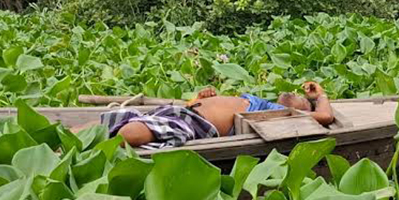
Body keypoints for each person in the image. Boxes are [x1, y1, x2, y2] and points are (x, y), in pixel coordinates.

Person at [81, 82, 335, 149]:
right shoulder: (257, 101)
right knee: (109, 120)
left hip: (198, 124)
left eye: (303, 98)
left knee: (133, 131)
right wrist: (202, 99)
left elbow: (324, 117)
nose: (295, 92)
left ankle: (106, 146)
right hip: (184, 111)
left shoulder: (278, 114)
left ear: (304, 110)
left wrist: (319, 97)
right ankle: (63, 145)